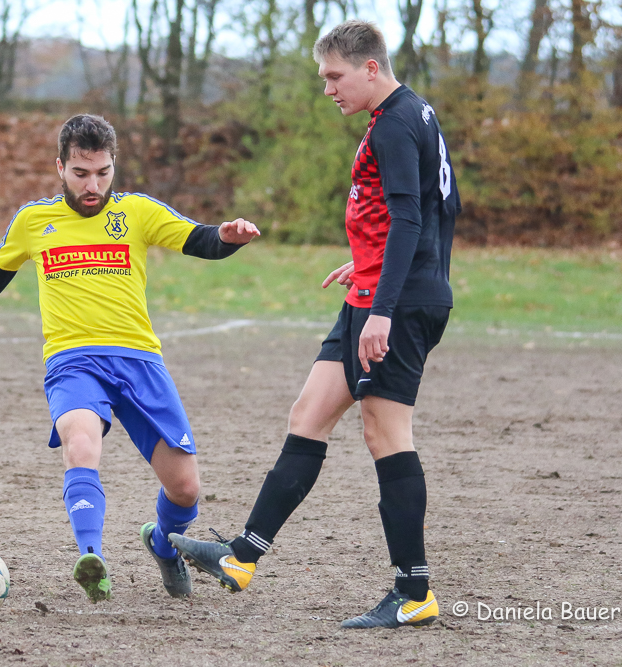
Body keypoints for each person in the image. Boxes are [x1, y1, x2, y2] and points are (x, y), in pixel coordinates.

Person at [170, 19, 460, 629]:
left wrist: (384, 306)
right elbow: (430, 211)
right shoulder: (412, 112)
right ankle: (242, 556)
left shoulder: (396, 124)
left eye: (335, 76)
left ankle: (414, 592)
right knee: (309, 414)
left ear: (371, 68)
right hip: (379, 289)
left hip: (397, 304)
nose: (328, 88)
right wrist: (369, 264)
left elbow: (413, 219)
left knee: (386, 434)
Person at [0, 114, 260, 602]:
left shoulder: (137, 211)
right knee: (80, 444)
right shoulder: (34, 221)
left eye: (103, 173)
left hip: (139, 362)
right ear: (60, 167)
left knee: (186, 489)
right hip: (73, 360)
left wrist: (228, 238)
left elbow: (199, 239)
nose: (93, 185)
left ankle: (163, 545)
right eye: (81, 173)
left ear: (113, 166)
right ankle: (92, 558)